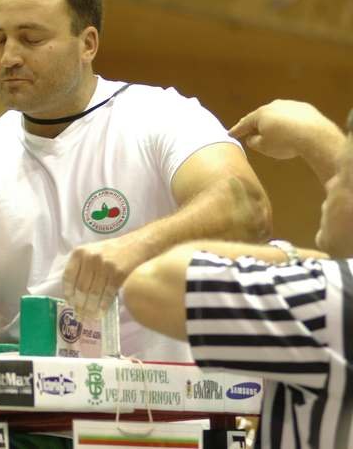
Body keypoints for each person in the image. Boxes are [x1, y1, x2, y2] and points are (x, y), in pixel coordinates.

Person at [0, 0, 271, 364]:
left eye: (30, 39)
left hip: (167, 412)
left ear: (88, 44)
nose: (8, 57)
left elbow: (248, 208)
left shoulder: (161, 115)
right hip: (24, 413)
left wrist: (135, 247)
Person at [124, 99, 352, 448]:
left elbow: (154, 283)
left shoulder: (331, 297)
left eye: (344, 177)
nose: (329, 185)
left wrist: (291, 255)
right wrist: (314, 136)